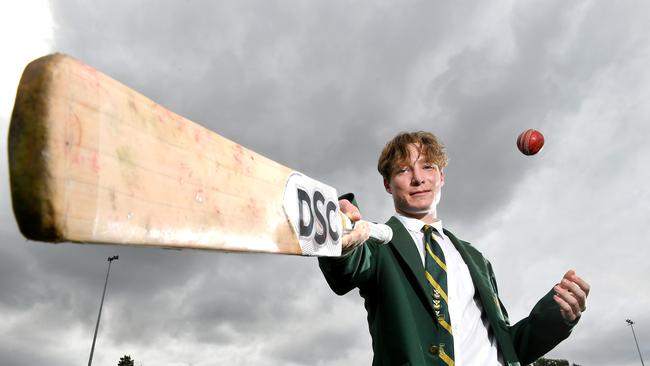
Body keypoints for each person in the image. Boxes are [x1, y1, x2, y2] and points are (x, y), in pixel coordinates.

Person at [318, 131, 589, 366]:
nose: (418, 178)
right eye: (403, 170)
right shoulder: (376, 242)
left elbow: (508, 347)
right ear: (388, 184)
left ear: (441, 177)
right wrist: (339, 235)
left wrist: (555, 318)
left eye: (428, 167)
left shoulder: (475, 258)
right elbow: (348, 266)